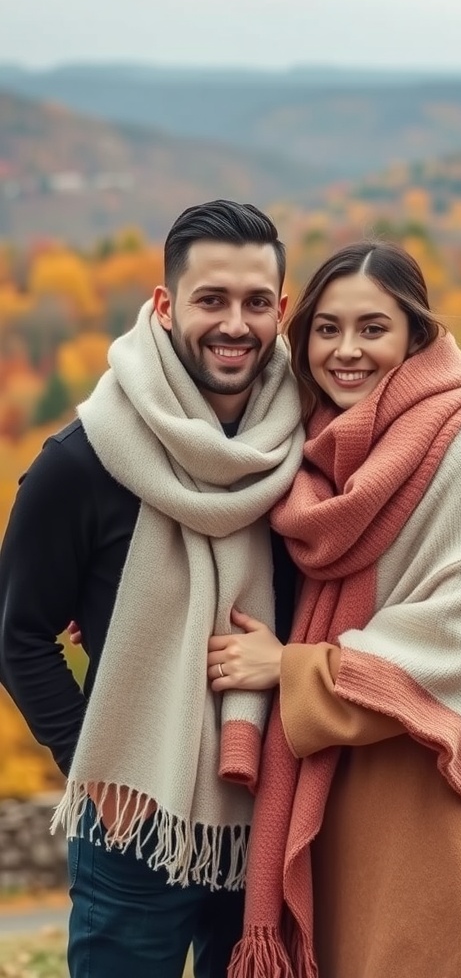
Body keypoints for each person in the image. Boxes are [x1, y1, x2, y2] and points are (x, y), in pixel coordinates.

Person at [0, 200, 304, 978]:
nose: (235, 323)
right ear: (166, 306)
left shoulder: (308, 451)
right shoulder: (83, 460)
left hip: (274, 815)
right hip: (134, 825)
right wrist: (95, 764)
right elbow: (19, 633)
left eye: (255, 302)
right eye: (211, 300)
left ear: (282, 307)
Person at [206, 241, 461, 978]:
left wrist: (290, 668)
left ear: (416, 336)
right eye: (327, 328)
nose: (346, 351)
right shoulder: (310, 452)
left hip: (420, 778)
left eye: (372, 328)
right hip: (329, 774)